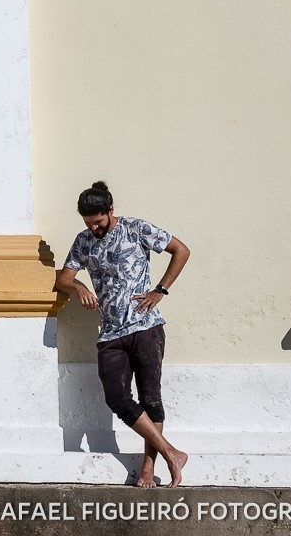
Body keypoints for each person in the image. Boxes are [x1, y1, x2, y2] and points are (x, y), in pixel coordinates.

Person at [53, 181, 191, 488]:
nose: (95, 228)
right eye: (89, 223)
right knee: (117, 398)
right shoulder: (83, 241)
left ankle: (147, 469)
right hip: (111, 333)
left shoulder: (136, 228)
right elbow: (63, 278)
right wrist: (79, 287)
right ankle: (172, 453)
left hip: (146, 326)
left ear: (110, 210)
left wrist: (161, 290)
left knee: (150, 399)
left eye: (99, 222)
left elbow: (180, 250)